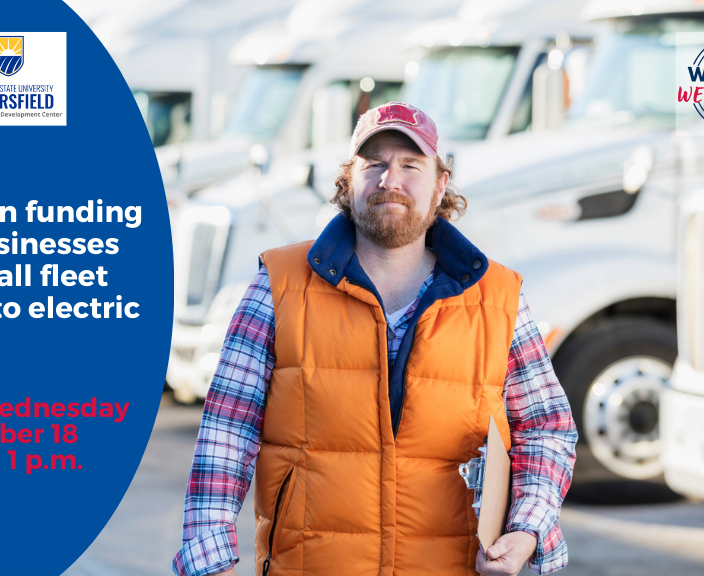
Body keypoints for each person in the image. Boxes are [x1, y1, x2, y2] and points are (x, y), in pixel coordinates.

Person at [172, 102, 577, 576]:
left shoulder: (499, 298)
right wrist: (210, 559)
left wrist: (527, 530)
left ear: (440, 184)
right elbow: (227, 429)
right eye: (375, 164)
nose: (390, 180)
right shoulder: (279, 285)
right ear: (348, 180)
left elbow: (546, 428)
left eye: (411, 165)